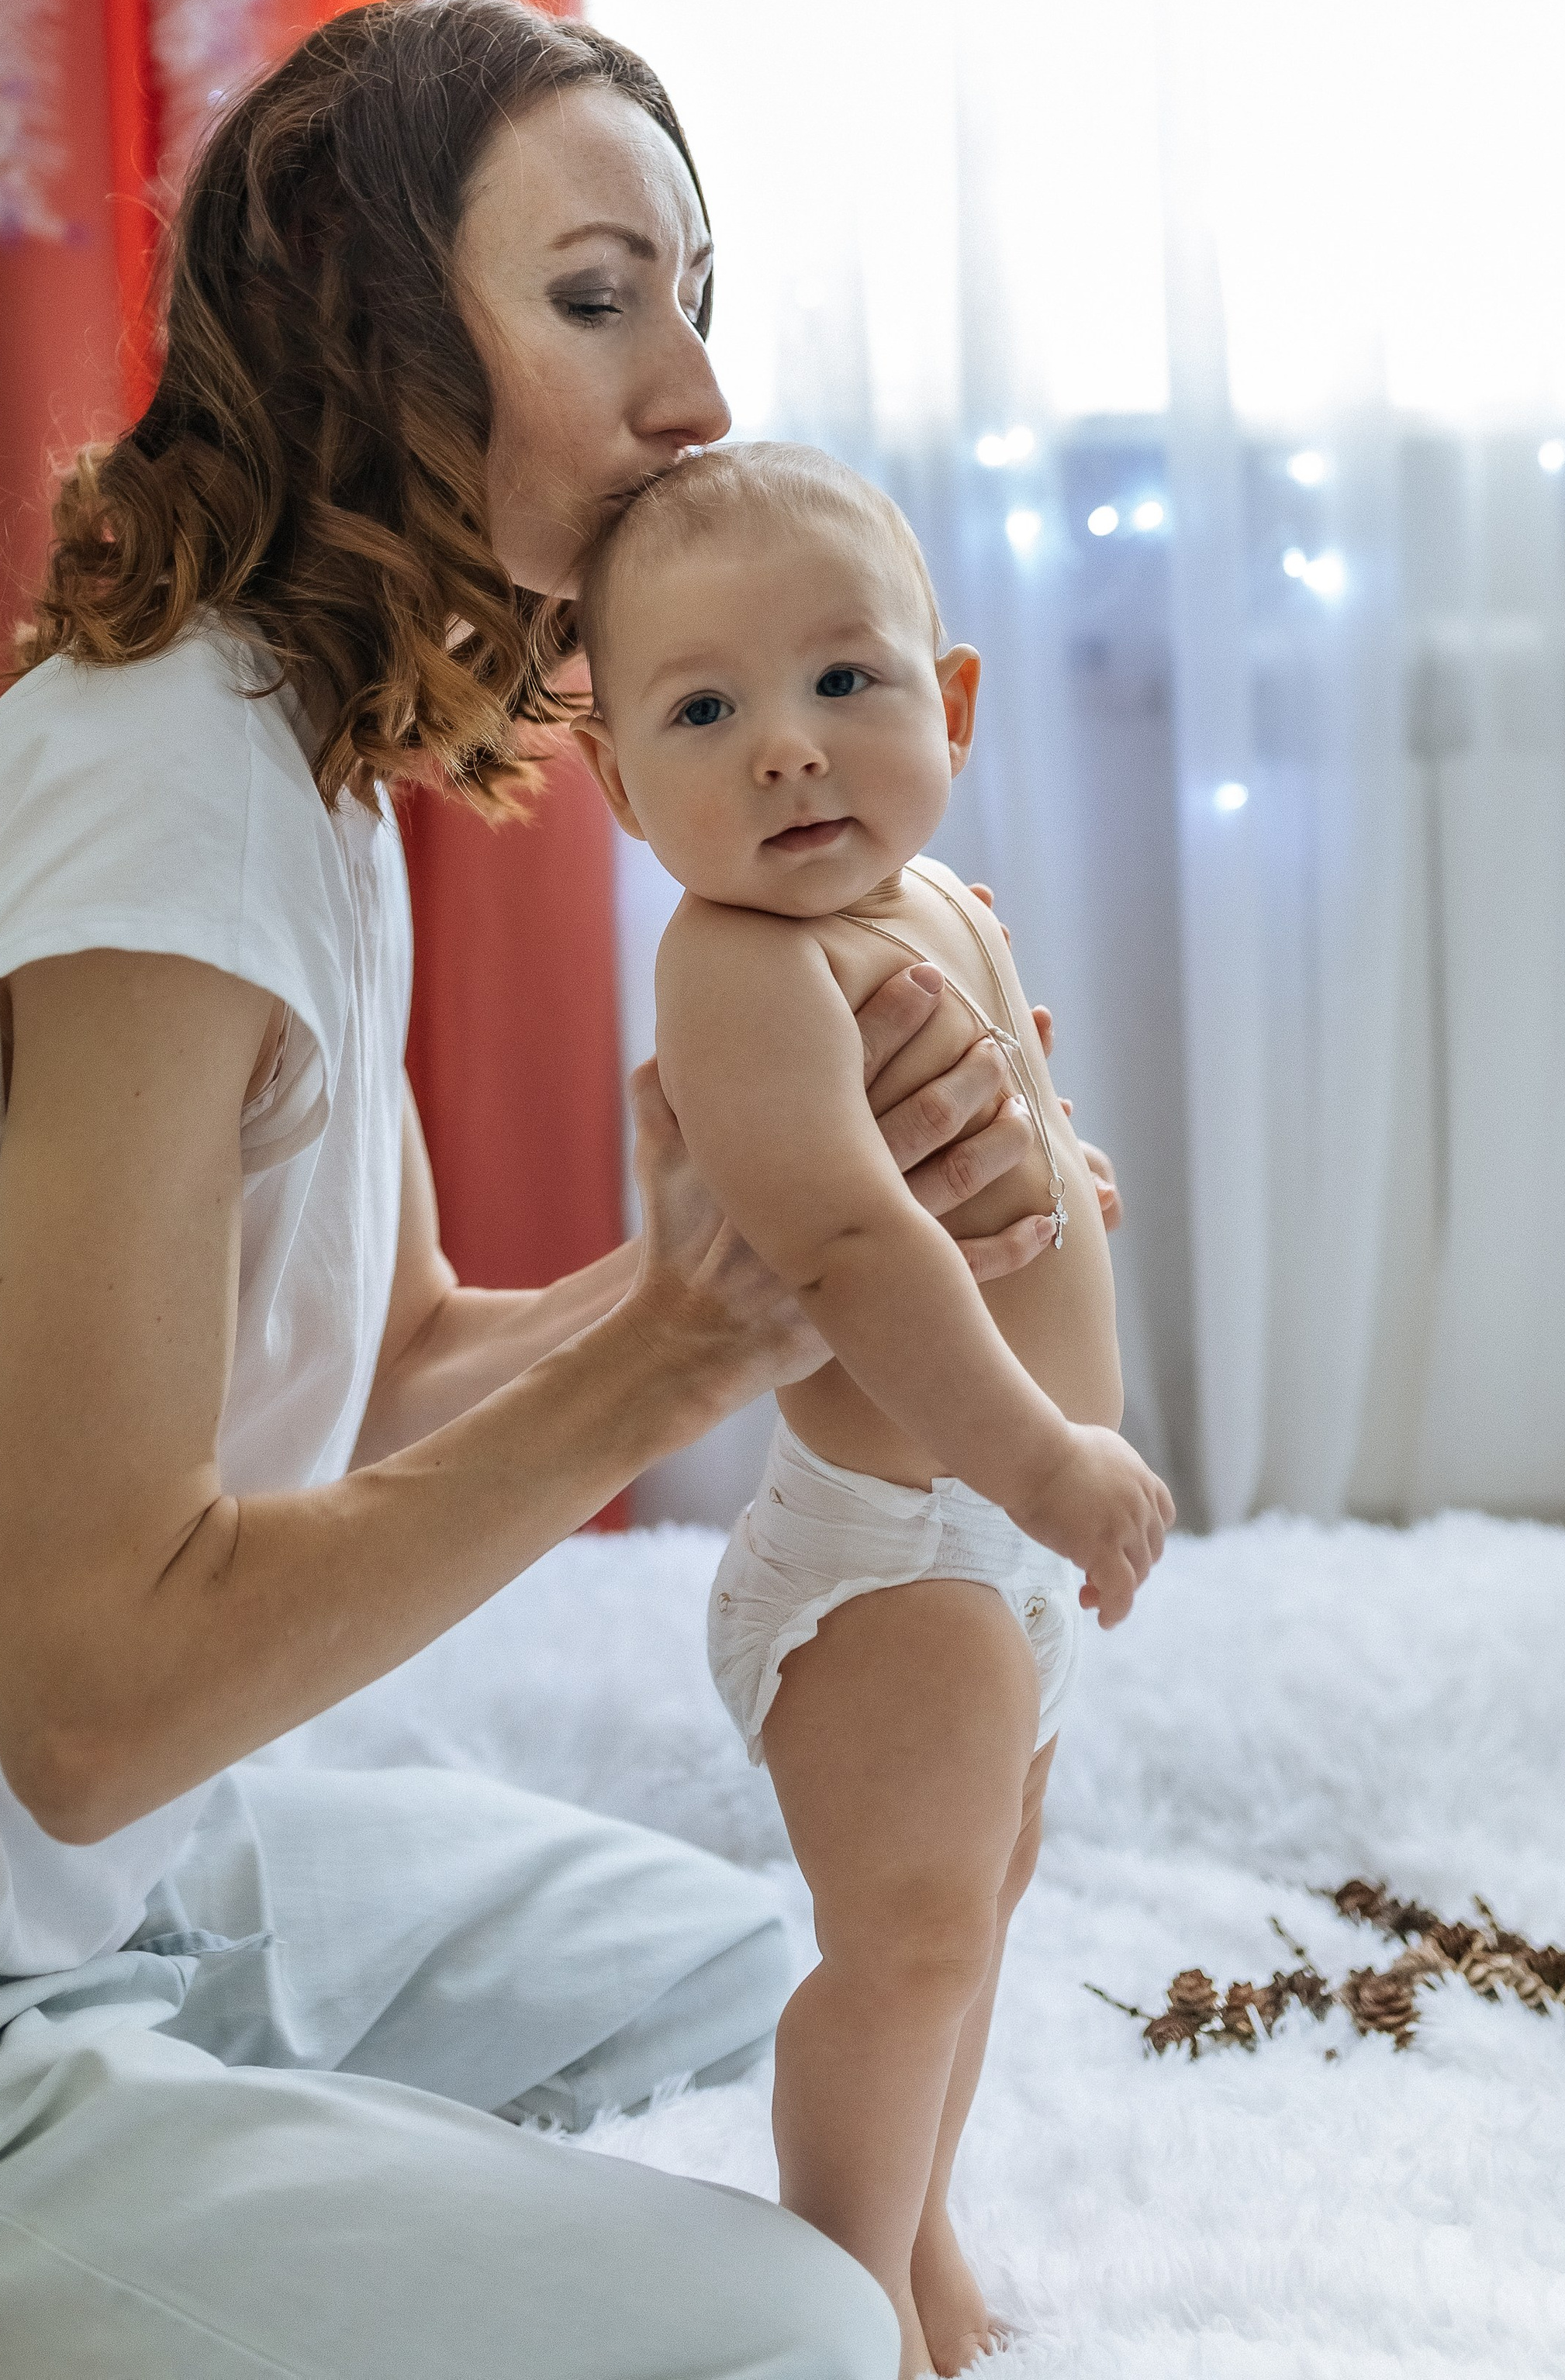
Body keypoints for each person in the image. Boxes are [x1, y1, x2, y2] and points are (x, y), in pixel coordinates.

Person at [0, 0, 1118, 2380]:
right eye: (592, 297)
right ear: (367, 340)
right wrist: (684, 1339)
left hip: (57, 1891)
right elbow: (101, 1703)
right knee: (789, 2333)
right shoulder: (168, 807)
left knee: (783, 1966)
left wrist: (791, 1259)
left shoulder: (295, 749)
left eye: (693, 296)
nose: (696, 397)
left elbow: (398, 1361)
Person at [572, 443, 1175, 2378]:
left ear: (955, 704)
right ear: (612, 782)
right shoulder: (736, 965)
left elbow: (1001, 1144)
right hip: (891, 1555)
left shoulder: (938, 909)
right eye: (700, 708)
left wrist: (1060, 1176)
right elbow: (841, 1245)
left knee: (970, 1921)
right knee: (899, 1939)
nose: (784, 749)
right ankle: (832, 2291)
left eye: (843, 681)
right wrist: (1043, 1458)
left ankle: (914, 2229)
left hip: (992, 1552)